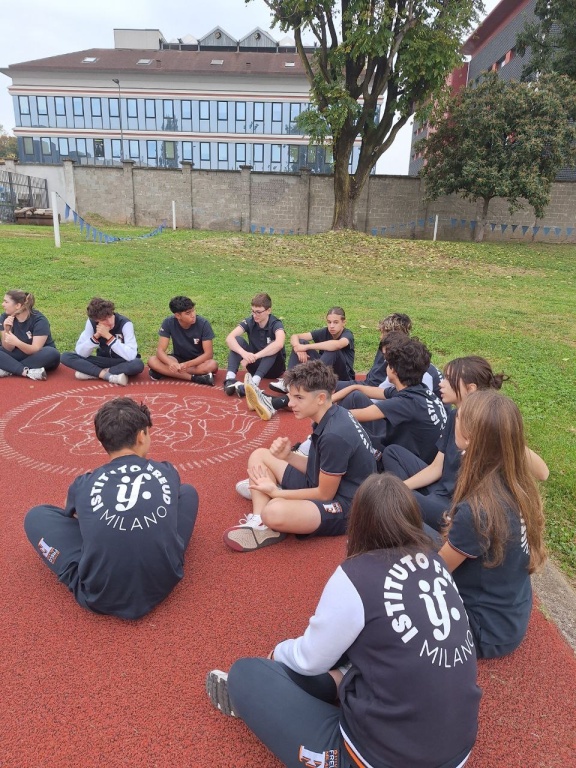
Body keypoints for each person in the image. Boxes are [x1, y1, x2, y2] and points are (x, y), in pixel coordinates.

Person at [207, 474, 481, 768]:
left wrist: (277, 654)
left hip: (379, 758)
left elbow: (308, 659)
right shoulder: (437, 563)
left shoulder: (356, 574)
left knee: (247, 673)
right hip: (458, 751)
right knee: (354, 658)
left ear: (358, 523)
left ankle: (273, 695)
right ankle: (337, 683)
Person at [24, 397, 199, 620]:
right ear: (141, 436)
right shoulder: (167, 470)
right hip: (164, 580)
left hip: (101, 595)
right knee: (188, 492)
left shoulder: (84, 483)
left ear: (103, 441)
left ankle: (84, 574)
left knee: (36, 516)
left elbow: (72, 514)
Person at [223, 360, 376, 552]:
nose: (290, 403)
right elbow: (317, 468)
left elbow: (324, 494)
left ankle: (270, 509)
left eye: (299, 398)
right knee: (259, 455)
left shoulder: (335, 436)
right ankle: (259, 520)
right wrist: (288, 456)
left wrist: (276, 493)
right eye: (290, 396)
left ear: (321, 398)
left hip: (345, 506)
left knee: (275, 511)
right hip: (325, 483)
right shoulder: (332, 414)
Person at [438, 390, 547, 659]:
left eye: (459, 416)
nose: (455, 417)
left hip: (483, 629)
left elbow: (437, 572)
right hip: (509, 614)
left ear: (471, 438)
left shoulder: (478, 509)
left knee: (394, 590)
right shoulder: (518, 483)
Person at [383, 356, 549, 530]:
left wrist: (504, 434)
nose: (441, 384)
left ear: (470, 389)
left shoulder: (488, 429)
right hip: (441, 489)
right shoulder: (454, 416)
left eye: (449, 380)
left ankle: (417, 513)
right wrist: (402, 487)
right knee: (393, 454)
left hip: (455, 508)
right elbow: (436, 468)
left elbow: (543, 473)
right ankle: (416, 509)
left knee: (394, 499)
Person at [344, 335, 447, 463]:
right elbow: (370, 391)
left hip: (408, 464)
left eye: (387, 364)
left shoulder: (406, 403)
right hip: (414, 453)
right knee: (356, 396)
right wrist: (352, 388)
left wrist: (325, 410)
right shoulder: (419, 390)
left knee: (346, 426)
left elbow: (349, 416)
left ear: (393, 371)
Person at [60, 297, 144, 386]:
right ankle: (107, 375)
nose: (109, 322)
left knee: (137, 364)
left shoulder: (125, 324)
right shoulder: (92, 323)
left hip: (122, 361)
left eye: (110, 317)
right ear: (96, 320)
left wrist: (109, 337)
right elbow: (81, 353)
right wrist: (96, 336)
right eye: (104, 320)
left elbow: (131, 355)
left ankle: (94, 373)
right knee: (66, 356)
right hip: (103, 360)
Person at [269, 306, 354, 393]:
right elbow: (295, 336)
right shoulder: (324, 331)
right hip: (324, 372)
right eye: (329, 322)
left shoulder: (347, 334)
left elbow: (338, 345)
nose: (331, 326)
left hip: (343, 377)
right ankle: (288, 382)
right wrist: (298, 347)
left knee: (333, 351)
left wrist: (306, 347)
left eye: (336, 322)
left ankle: (310, 382)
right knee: (301, 342)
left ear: (344, 322)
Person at [223, 292, 285, 397]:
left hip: (274, 369)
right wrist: (244, 354)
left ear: (268, 311)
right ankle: (229, 379)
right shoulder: (250, 321)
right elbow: (229, 338)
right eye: (253, 311)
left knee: (273, 346)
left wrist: (255, 356)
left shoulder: (276, 323)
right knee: (237, 340)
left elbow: (279, 344)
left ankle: (253, 383)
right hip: (254, 364)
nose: (254, 315)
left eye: (258, 312)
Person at [147, 296, 218, 385]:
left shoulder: (203, 324)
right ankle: (195, 378)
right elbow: (160, 351)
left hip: (197, 362)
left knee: (212, 365)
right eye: (188, 313)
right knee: (152, 360)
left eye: (193, 310)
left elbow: (208, 354)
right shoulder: (168, 322)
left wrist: (187, 365)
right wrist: (171, 363)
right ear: (178, 315)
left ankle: (164, 372)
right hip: (177, 358)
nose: (193, 315)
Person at [0, 289, 60, 380]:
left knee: (52, 353)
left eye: (6, 302)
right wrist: (7, 330)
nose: (3, 304)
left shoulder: (39, 320)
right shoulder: (5, 317)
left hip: (37, 355)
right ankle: (27, 372)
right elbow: (8, 348)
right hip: (17, 353)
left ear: (18, 305)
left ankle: (9, 369)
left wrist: (17, 342)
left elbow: (35, 349)